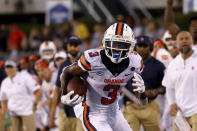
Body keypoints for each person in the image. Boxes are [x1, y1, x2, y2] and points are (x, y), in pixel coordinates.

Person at [60, 22, 147, 131]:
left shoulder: (135, 62)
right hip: (93, 113)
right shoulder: (93, 59)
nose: (117, 49)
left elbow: (143, 102)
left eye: (122, 45)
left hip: (114, 112)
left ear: (130, 46)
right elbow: (67, 71)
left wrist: (142, 92)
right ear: (105, 42)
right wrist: (63, 95)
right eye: (113, 43)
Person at [123, 36, 165, 131]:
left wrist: (155, 91)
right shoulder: (126, 63)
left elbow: (165, 86)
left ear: (150, 47)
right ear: (135, 47)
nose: (141, 49)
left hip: (150, 106)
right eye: (139, 46)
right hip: (131, 105)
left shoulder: (158, 65)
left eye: (145, 46)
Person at [162, 31, 197, 130]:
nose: (184, 41)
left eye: (187, 38)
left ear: (192, 41)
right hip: (180, 113)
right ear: (176, 44)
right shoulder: (173, 64)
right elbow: (169, 88)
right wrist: (171, 103)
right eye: (181, 39)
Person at [50, 36, 84, 131]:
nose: (73, 47)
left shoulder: (86, 61)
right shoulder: (63, 65)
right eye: (71, 45)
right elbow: (57, 89)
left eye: (75, 45)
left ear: (79, 46)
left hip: (83, 110)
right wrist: (52, 114)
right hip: (67, 110)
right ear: (67, 46)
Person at [0, 60, 42, 131]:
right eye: (7, 68)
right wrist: (6, 114)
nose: (9, 70)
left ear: (16, 68)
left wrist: (35, 104)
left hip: (27, 111)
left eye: (11, 67)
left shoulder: (25, 77)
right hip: (12, 113)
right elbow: (3, 100)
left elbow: (38, 90)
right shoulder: (4, 82)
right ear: (5, 70)